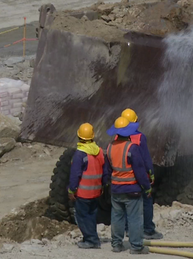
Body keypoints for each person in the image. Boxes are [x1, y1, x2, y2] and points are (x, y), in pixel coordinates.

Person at [104, 117, 152, 254]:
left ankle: (116, 244)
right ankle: (136, 246)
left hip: (116, 190)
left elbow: (107, 170)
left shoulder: (110, 147)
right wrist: (147, 187)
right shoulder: (132, 148)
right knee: (135, 218)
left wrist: (107, 185)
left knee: (117, 217)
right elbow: (140, 171)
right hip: (132, 190)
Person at [121, 108, 163, 240]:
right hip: (139, 177)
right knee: (146, 200)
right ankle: (148, 230)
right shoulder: (140, 137)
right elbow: (146, 159)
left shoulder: (117, 138)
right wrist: (150, 174)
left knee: (127, 203)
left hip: (124, 177)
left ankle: (128, 229)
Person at [68, 123, 105, 249]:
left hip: (83, 193)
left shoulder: (80, 154)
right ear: (92, 136)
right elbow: (104, 170)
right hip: (96, 192)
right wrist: (103, 186)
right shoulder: (99, 151)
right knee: (91, 215)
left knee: (82, 217)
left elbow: (75, 175)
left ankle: (91, 240)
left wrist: (71, 190)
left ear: (79, 137)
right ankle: (91, 237)